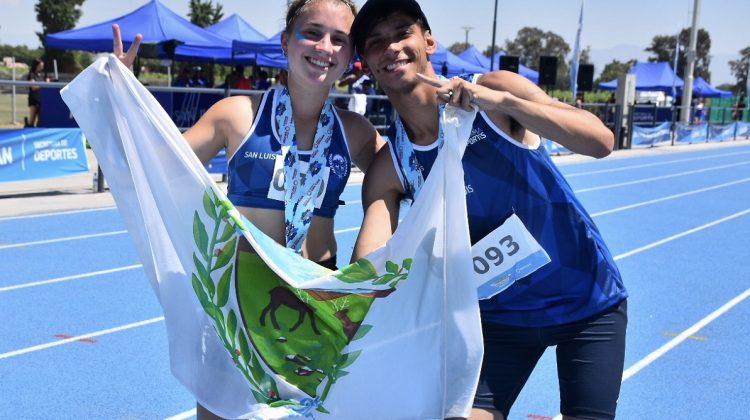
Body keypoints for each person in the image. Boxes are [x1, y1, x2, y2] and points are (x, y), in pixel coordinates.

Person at [349, 1, 628, 419]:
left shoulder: (495, 94)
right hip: (498, 321)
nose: (391, 47)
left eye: (402, 32)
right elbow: (369, 268)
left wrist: (502, 100)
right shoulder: (392, 166)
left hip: (586, 302)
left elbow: (600, 141)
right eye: (376, 42)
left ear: (428, 40)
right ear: (367, 62)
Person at [112, 0, 383, 417]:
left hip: (314, 311)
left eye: (339, 39)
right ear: (286, 41)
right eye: (312, 32)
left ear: (351, 56)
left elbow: (409, 180)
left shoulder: (357, 133)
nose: (324, 46)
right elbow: (153, 169)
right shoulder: (237, 116)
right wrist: (126, 99)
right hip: (237, 305)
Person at [26, 58, 47, 127]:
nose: (42, 67)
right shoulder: (32, 75)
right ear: (36, 66)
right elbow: (33, 87)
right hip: (34, 99)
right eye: (41, 66)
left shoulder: (41, 75)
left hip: (41, 99)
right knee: (32, 120)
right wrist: (45, 83)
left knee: (40, 120)